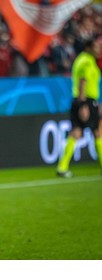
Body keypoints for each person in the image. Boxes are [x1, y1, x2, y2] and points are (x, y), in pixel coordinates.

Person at [57, 39, 102, 177]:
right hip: (85, 100)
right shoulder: (87, 61)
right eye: (96, 46)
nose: (98, 49)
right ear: (88, 47)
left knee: (77, 132)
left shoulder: (82, 59)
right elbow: (83, 82)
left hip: (82, 100)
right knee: (98, 132)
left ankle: (62, 167)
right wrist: (84, 105)